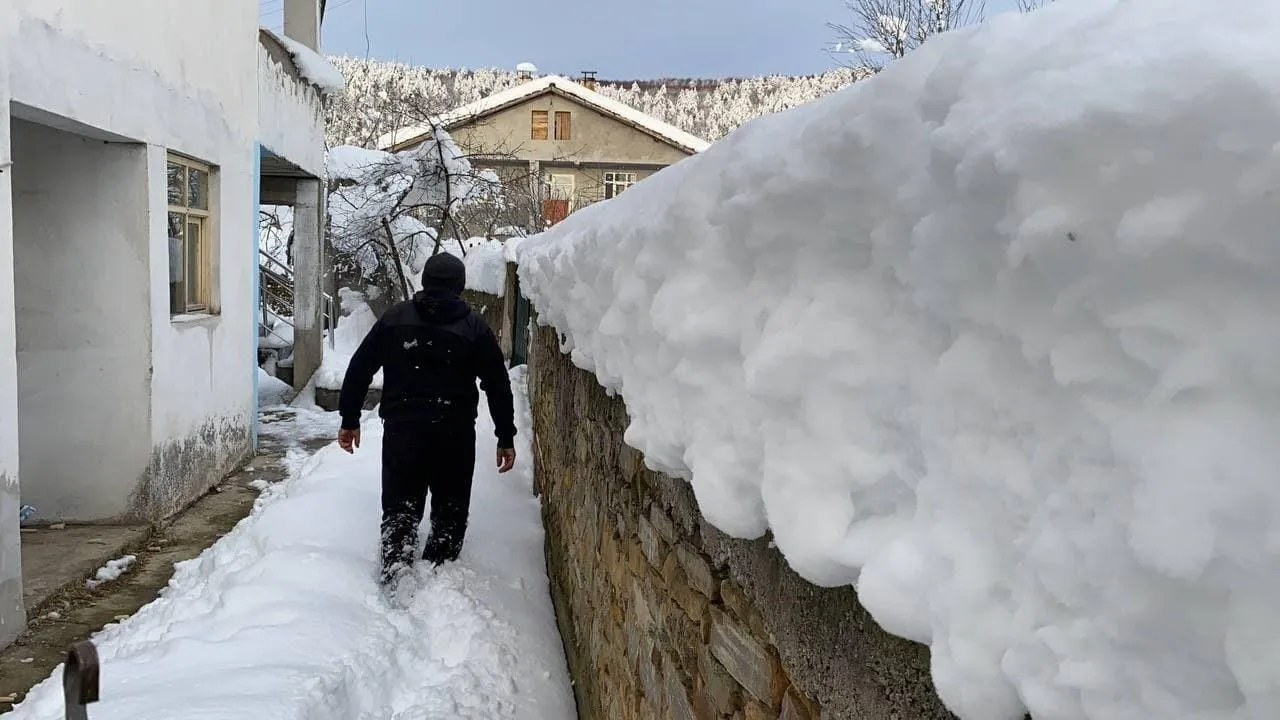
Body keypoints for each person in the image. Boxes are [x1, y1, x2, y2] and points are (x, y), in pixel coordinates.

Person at [337, 252, 517, 585]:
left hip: (403, 430)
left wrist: (350, 419)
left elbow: (360, 366)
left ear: (426, 282)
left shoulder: (395, 319)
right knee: (450, 507)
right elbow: (497, 384)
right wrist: (505, 435)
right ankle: (441, 572)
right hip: (454, 432)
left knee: (400, 505)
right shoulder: (473, 327)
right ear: (460, 286)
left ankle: (397, 570)